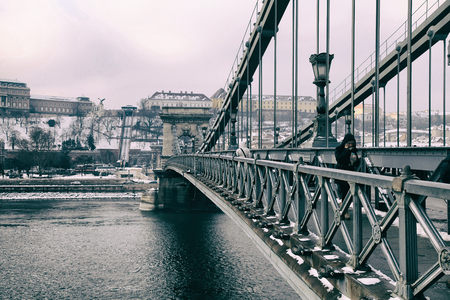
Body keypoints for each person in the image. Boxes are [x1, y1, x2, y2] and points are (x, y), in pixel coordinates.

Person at [334, 133, 360, 200]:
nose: (350, 145)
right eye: (349, 143)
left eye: (352, 143)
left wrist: (356, 160)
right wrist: (346, 150)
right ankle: (342, 208)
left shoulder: (354, 151)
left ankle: (345, 208)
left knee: (350, 194)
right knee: (343, 195)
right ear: (345, 143)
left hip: (351, 174)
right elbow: (339, 159)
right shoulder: (338, 149)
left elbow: (356, 164)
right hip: (341, 175)